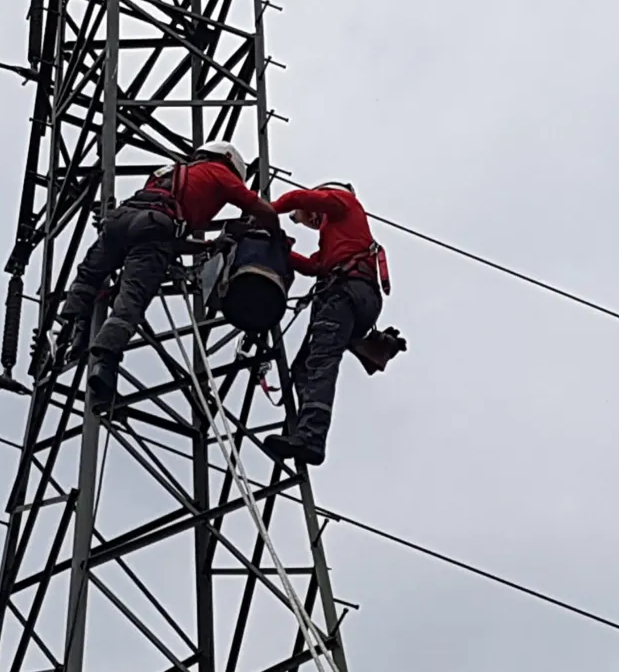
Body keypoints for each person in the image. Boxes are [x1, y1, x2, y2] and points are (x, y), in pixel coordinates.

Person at [59, 141, 278, 407]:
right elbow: (262, 210)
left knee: (88, 276)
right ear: (229, 161)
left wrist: (209, 246)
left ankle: (71, 328)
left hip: (121, 220)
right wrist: (274, 236)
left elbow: (166, 236)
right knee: (131, 300)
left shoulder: (170, 173)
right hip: (153, 227)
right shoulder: (220, 172)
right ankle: (104, 364)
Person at [263, 182, 387, 466]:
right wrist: (281, 248)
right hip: (357, 296)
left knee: (321, 361)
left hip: (346, 293)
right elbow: (314, 267)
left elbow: (297, 197)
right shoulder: (339, 236)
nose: (313, 222)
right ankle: (306, 431)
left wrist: (263, 212)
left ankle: (311, 437)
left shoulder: (343, 202)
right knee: (306, 366)